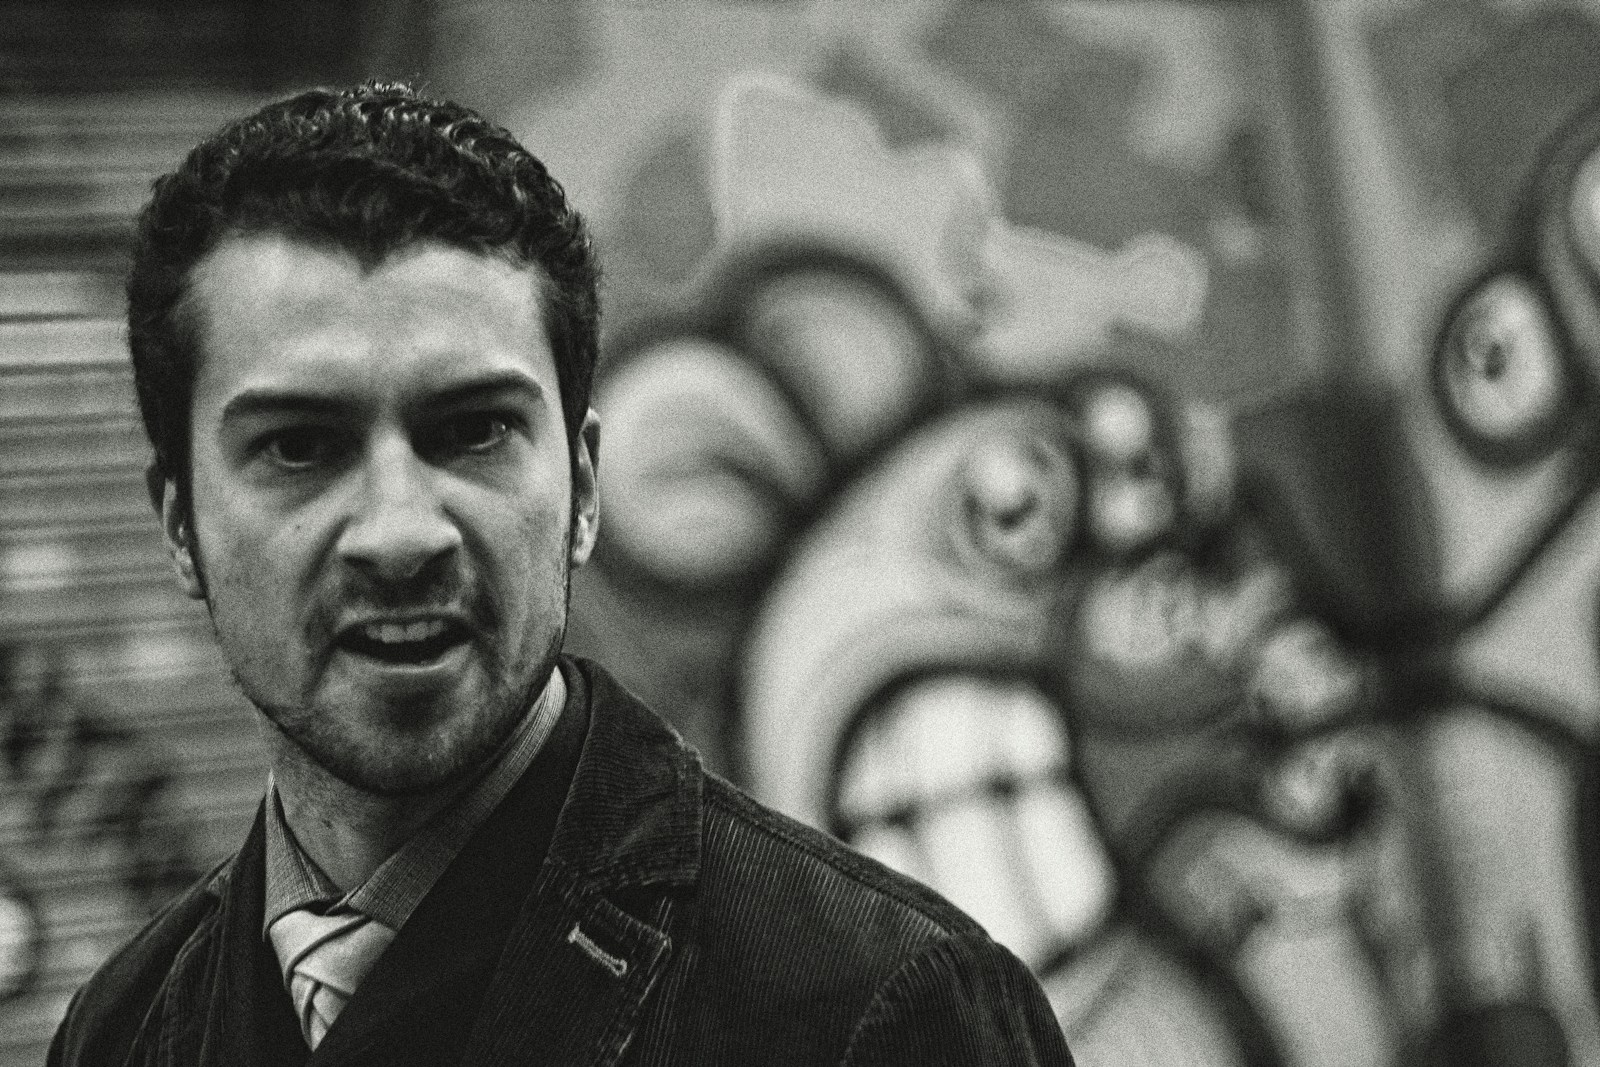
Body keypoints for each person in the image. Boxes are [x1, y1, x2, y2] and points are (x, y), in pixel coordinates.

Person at [47, 81, 1072, 1066]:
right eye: (299, 446)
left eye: (474, 429)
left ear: (583, 488)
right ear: (179, 521)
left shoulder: (876, 1010)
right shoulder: (125, 1029)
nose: (401, 532)